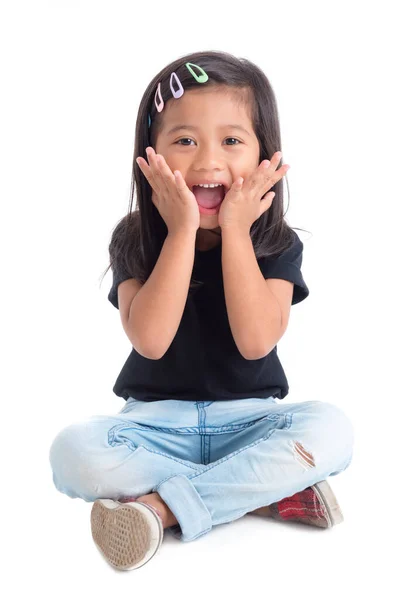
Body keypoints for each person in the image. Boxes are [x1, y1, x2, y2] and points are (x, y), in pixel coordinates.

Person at [49, 50, 355, 571]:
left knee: (333, 430)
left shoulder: (277, 244)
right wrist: (183, 230)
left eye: (232, 141)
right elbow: (150, 339)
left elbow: (257, 341)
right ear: (150, 156)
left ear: (266, 157)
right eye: (185, 140)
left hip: (252, 421)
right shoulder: (135, 237)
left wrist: (236, 230)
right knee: (72, 451)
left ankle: (162, 508)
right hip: (152, 426)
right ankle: (258, 492)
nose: (209, 162)